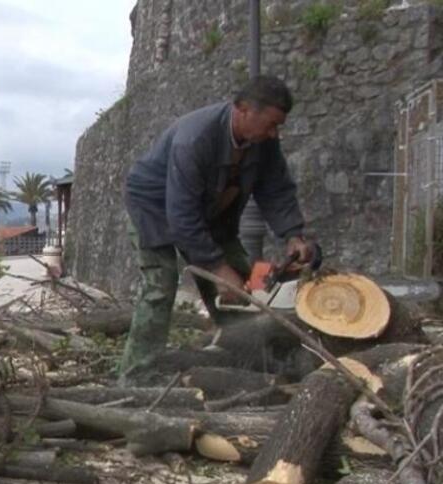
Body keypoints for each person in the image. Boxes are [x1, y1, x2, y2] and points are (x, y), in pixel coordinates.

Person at [118, 75, 317, 380]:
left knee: (246, 287)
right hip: (154, 208)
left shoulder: (263, 143)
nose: (275, 133)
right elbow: (182, 217)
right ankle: (136, 375)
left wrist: (293, 234)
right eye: (271, 124)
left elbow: (276, 189)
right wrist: (218, 270)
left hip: (211, 211)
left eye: (279, 126)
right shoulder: (195, 139)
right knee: (161, 286)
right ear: (243, 110)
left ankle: (248, 357)